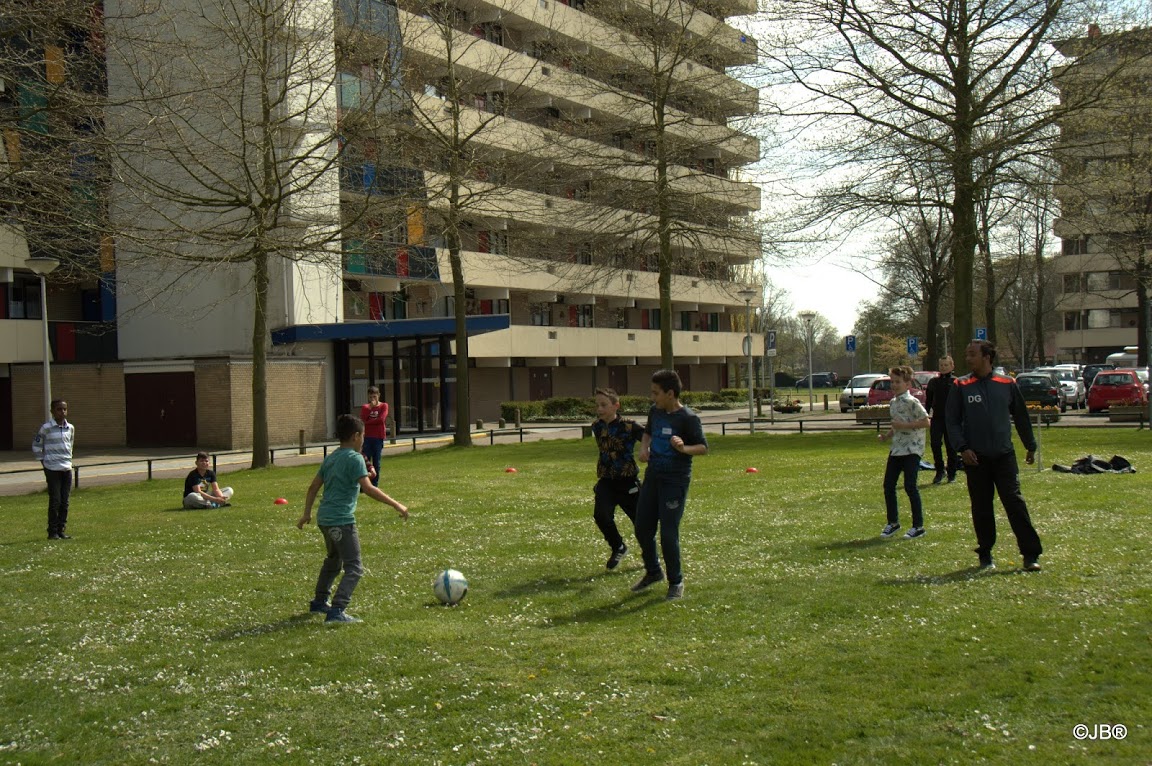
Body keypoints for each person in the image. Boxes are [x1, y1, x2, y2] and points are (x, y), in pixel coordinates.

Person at [296, 414, 409, 624]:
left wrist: (306, 513)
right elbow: (368, 488)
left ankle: (320, 602)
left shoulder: (330, 458)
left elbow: (313, 487)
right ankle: (337, 611)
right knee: (354, 568)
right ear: (357, 436)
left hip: (324, 519)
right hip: (341, 521)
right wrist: (396, 504)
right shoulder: (355, 458)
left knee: (333, 561)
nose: (364, 439)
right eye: (363, 435)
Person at [945, 340, 1044, 571]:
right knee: (981, 507)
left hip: (1004, 457)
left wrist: (1030, 445)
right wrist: (963, 448)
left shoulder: (1007, 383)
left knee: (1015, 503)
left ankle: (1031, 554)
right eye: (966, 354)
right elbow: (952, 421)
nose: (968, 359)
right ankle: (985, 554)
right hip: (975, 459)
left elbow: (1021, 417)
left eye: (972, 354)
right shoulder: (961, 385)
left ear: (987, 356)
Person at [631, 369, 708, 600]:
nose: (652, 397)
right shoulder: (655, 412)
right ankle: (654, 572)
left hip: (675, 480)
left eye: (656, 393)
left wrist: (684, 448)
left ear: (670, 393)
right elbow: (647, 433)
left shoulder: (688, 418)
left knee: (668, 533)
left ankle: (676, 581)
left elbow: (703, 448)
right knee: (642, 527)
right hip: (653, 476)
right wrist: (644, 448)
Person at [591, 388, 645, 570]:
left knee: (641, 522)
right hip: (606, 481)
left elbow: (648, 437)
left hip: (628, 481)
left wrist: (647, 450)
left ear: (616, 406)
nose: (599, 409)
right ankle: (618, 547)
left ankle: (650, 557)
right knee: (601, 515)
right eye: (597, 405)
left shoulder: (629, 426)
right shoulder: (596, 426)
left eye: (604, 405)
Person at [878, 366, 930, 540]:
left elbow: (925, 422)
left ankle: (918, 526)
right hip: (896, 449)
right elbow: (896, 425)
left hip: (912, 450)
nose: (894, 385)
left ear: (907, 384)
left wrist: (905, 427)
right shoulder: (893, 402)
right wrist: (887, 436)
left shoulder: (912, 402)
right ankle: (893, 523)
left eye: (898, 382)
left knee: (910, 486)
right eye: (892, 382)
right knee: (888, 486)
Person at [32, 399, 75, 540]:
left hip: (66, 468)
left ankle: (61, 529)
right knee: (55, 500)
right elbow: (37, 446)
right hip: (52, 468)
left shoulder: (70, 428)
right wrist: (44, 464)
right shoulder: (46, 428)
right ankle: (52, 531)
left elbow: (70, 445)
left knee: (65, 501)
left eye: (64, 409)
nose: (62, 412)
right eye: (59, 409)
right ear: (52, 411)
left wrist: (68, 461)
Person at [925, 355, 960, 484]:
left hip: (951, 419)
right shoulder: (933, 382)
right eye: (941, 365)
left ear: (952, 366)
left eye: (946, 365)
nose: (943, 367)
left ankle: (952, 473)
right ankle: (940, 471)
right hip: (937, 418)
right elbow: (928, 401)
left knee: (951, 446)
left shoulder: (956, 382)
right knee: (935, 444)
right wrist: (927, 414)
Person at [360, 386, 388, 487]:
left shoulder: (383, 406)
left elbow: (381, 419)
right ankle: (365, 484)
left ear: (379, 396)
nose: (373, 399)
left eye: (375, 397)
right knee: (365, 462)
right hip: (367, 437)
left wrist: (369, 422)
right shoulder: (365, 407)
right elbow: (363, 420)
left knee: (376, 462)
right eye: (371, 397)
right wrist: (370, 408)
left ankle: (374, 484)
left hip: (378, 437)